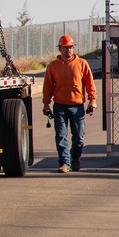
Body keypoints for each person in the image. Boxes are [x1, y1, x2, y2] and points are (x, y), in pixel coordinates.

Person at [42, 34, 97, 173]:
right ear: (60, 49)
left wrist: (92, 101)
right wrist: (46, 104)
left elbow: (89, 83)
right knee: (61, 136)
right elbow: (48, 86)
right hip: (60, 106)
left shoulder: (82, 64)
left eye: (71, 47)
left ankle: (75, 159)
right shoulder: (53, 67)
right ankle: (64, 163)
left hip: (77, 106)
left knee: (79, 138)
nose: (68, 51)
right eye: (65, 48)